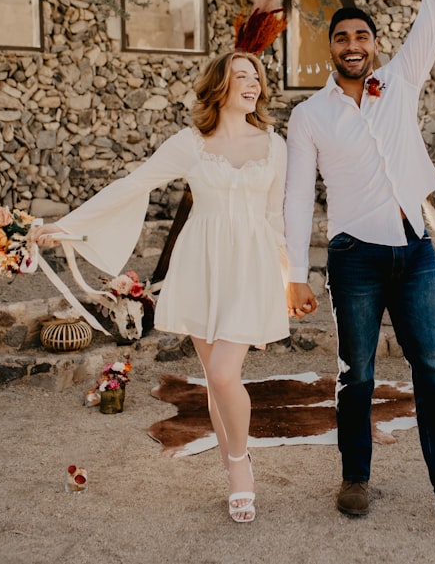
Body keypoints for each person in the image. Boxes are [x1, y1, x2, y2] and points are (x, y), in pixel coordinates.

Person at [283, 0, 435, 520]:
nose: (353, 44)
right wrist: (295, 272)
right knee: (358, 374)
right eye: (342, 36)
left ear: (374, 45)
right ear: (330, 48)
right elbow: (296, 196)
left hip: (417, 250)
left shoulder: (399, 83)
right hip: (354, 259)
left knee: (432, 367)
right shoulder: (309, 116)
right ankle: (355, 479)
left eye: (362, 35)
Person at [37, 51, 289, 523]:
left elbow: (275, 216)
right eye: (241, 76)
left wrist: (287, 277)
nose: (252, 84)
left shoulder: (275, 144)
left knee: (223, 376)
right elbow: (132, 186)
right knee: (215, 378)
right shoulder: (190, 144)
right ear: (220, 84)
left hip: (250, 268)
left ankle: (239, 467)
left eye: (256, 76)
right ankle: (234, 460)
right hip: (201, 265)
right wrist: (67, 226)